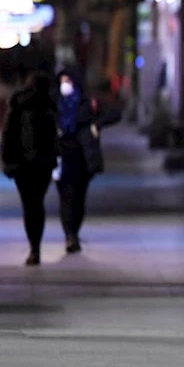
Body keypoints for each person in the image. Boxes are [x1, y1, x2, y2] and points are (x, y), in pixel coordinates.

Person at [55, 68, 122, 254]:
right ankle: (70, 235)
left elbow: (115, 113)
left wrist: (96, 126)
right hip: (61, 156)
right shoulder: (56, 104)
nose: (64, 85)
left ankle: (74, 231)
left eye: (68, 81)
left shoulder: (87, 103)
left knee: (78, 197)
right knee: (66, 197)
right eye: (62, 81)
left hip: (83, 157)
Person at [0, 71, 60, 266]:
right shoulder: (49, 107)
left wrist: (7, 159)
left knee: (29, 205)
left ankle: (34, 247)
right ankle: (36, 246)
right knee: (37, 203)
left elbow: (8, 135)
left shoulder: (18, 105)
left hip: (22, 164)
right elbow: (55, 138)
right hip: (41, 164)